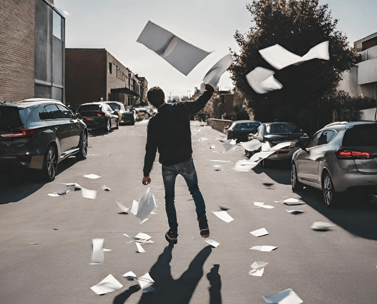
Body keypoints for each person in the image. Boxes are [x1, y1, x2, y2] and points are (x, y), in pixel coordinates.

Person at [142, 84, 214, 244]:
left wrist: (146, 173)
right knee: (194, 190)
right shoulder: (181, 108)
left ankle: (173, 231)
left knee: (169, 198)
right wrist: (209, 90)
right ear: (164, 96)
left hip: (168, 165)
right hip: (186, 160)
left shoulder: (154, 122)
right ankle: (202, 221)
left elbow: (150, 150)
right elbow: (199, 103)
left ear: (152, 104)